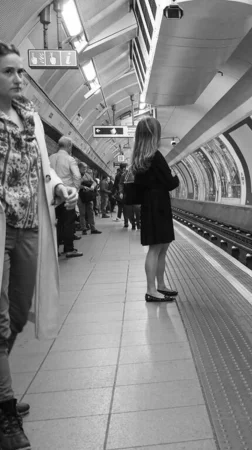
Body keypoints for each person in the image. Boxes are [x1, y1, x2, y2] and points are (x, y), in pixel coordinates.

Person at [0, 41, 78, 450]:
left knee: (16, 314)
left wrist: (61, 186)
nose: (17, 79)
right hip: (0, 229)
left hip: (30, 226)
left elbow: (42, 171)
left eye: (20, 72)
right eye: (8, 72)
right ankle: (6, 411)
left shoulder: (30, 119)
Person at [131, 117, 179, 302]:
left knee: (160, 247)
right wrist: (176, 178)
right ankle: (152, 289)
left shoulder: (139, 158)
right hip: (158, 205)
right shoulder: (155, 156)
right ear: (154, 135)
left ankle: (160, 285)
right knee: (156, 249)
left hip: (149, 204)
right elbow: (169, 182)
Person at [49, 136, 83, 257]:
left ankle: (55, 249)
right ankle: (69, 249)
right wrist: (75, 191)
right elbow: (77, 176)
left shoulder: (50, 158)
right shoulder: (70, 159)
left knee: (55, 223)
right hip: (67, 196)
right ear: (69, 147)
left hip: (53, 196)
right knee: (68, 222)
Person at [77, 162, 101, 235]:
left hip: (88, 196)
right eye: (84, 168)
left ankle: (93, 228)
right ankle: (84, 228)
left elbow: (94, 182)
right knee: (82, 213)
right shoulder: (76, 176)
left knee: (91, 212)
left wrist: (92, 186)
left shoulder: (87, 175)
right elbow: (76, 184)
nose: (85, 169)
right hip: (80, 196)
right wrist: (83, 187)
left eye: (86, 168)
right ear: (79, 168)